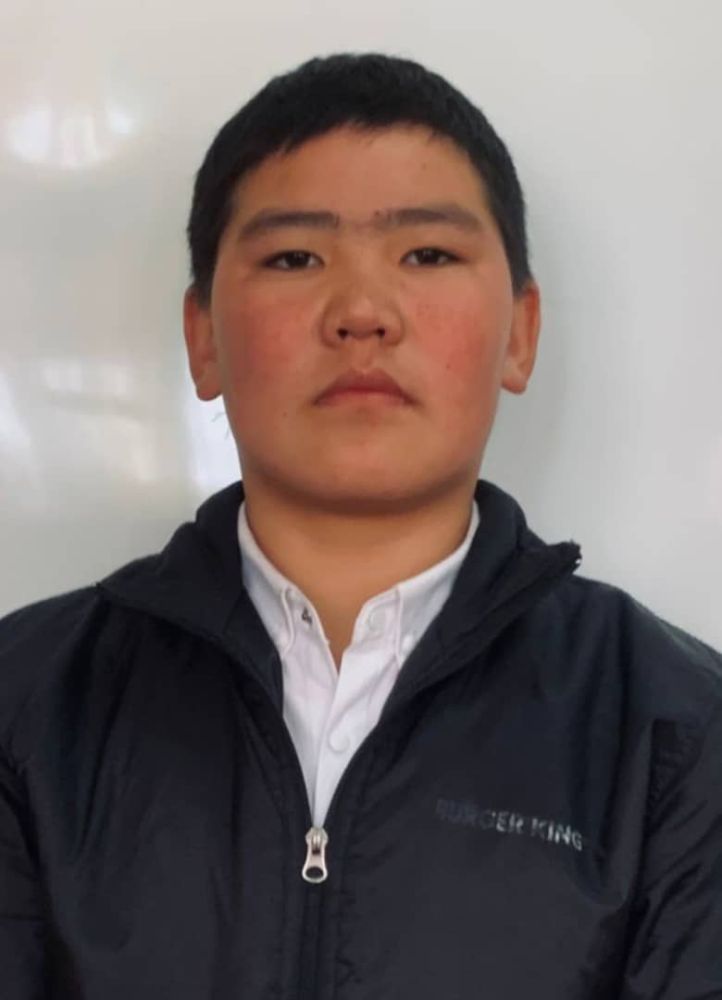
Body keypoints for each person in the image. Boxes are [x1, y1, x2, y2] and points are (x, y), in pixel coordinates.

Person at [1, 51, 720, 1000]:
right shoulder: (25, 704)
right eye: (294, 258)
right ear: (203, 337)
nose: (363, 313)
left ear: (520, 333)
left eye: (428, 255)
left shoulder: (679, 730)